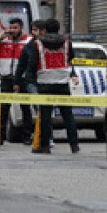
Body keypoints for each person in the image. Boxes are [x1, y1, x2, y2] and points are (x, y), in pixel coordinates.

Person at [20, 18, 79, 154]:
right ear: (58, 29)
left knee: (45, 117)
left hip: (44, 83)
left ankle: (45, 145)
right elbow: (71, 58)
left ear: (45, 30)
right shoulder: (67, 42)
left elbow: (33, 63)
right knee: (68, 116)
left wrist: (31, 79)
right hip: (63, 83)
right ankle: (74, 144)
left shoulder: (38, 43)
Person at [0, 17, 33, 143]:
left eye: (15, 28)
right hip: (6, 76)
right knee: (4, 108)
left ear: (21, 28)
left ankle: (27, 136)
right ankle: (0, 136)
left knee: (25, 107)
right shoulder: (4, 39)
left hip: (22, 77)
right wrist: (1, 37)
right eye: (11, 27)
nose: (12, 30)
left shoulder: (28, 40)